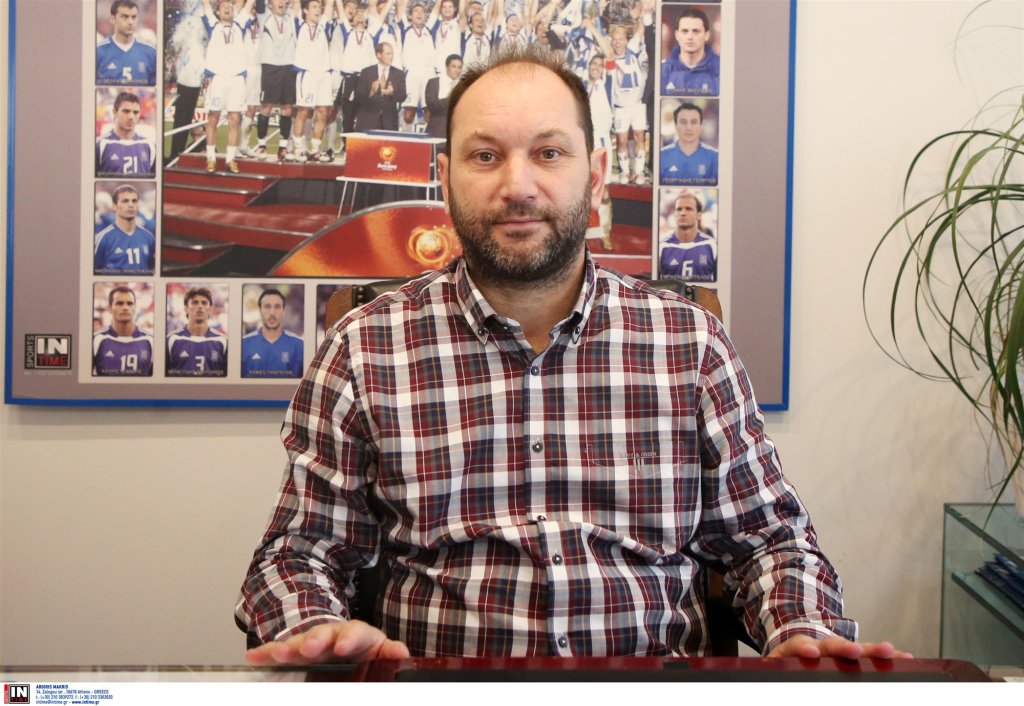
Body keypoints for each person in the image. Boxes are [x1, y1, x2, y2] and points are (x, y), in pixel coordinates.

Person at [238, 46, 908, 664]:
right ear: (444, 179)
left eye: (549, 153)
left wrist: (799, 629)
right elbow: (298, 551)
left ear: (597, 174)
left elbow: (771, 543)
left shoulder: (689, 344)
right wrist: (313, 625)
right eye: (485, 156)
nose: (518, 185)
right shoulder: (364, 348)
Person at [201, 0, 257, 173]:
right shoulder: (213, 24)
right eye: (223, 6)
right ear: (217, 12)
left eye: (230, 6)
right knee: (213, 118)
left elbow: (249, 4)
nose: (227, 8)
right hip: (218, 78)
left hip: (237, 79)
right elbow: (205, 4)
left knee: (235, 119)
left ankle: (230, 159)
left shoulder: (239, 24)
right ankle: (211, 158)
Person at [253, 0, 298, 161]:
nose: (281, 3)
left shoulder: (291, 16)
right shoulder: (264, 16)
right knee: (266, 107)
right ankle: (262, 145)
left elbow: (296, 5)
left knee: (287, 108)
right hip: (270, 66)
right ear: (269, 4)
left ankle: (283, 147)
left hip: (288, 66)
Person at [241, 289, 304, 378]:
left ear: (284, 311)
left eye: (277, 307)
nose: (272, 313)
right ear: (259, 310)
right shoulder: (243, 344)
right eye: (267, 307)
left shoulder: (299, 345)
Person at [94, 184, 156, 275]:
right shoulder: (103, 238)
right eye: (125, 201)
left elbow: (152, 269)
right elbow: (95, 270)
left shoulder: (149, 237)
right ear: (114, 206)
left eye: (134, 201)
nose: (131, 205)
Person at [167, 287, 228, 377]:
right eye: (195, 302)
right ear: (186, 309)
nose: (200, 306)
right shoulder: (171, 340)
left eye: (204, 303)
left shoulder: (222, 342)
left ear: (210, 309)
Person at [93, 286, 154, 377]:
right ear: (109, 308)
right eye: (119, 303)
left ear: (135, 308)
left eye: (130, 303)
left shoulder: (150, 340)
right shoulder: (96, 340)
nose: (125, 307)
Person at [96, 91, 157, 177]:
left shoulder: (149, 146)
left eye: (135, 112)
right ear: (115, 112)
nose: (131, 117)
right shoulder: (100, 145)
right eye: (126, 111)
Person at [96, 0, 158, 85]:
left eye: (134, 17)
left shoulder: (151, 53)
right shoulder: (98, 52)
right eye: (124, 17)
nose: (130, 22)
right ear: (112, 19)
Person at [661, 8, 720, 97]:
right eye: (685, 31)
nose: (690, 37)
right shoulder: (663, 71)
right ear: (677, 35)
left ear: (706, 35)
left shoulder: (721, 69)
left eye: (696, 31)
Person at [659, 191, 716, 281]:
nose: (683, 213)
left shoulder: (711, 245)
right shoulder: (662, 247)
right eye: (679, 209)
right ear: (674, 214)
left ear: (699, 215)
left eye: (688, 209)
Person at [660, 101, 718, 185]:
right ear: (676, 125)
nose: (689, 128)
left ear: (701, 126)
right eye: (683, 122)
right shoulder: (662, 155)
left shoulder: (714, 157)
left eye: (694, 122)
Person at [352, 41, 406, 131]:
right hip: (368, 122)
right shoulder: (366, 72)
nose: (391, 57)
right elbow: (358, 97)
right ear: (378, 55)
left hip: (389, 123)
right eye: (388, 54)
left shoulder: (399, 74)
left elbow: (402, 96)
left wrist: (392, 92)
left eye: (392, 54)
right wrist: (371, 91)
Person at [423, 53, 462, 138]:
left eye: (459, 67)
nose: (457, 70)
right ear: (447, 67)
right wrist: (450, 98)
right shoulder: (434, 83)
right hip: (437, 130)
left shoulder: (464, 86)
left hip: (458, 132)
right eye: (454, 66)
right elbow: (432, 105)